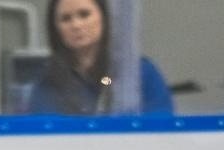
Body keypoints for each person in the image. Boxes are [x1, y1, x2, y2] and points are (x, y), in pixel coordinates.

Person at [27, 0, 173, 117]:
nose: (76, 25)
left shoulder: (139, 73)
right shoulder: (48, 83)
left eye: (84, 14)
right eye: (66, 19)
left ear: (104, 17)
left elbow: (161, 132)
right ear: (55, 28)